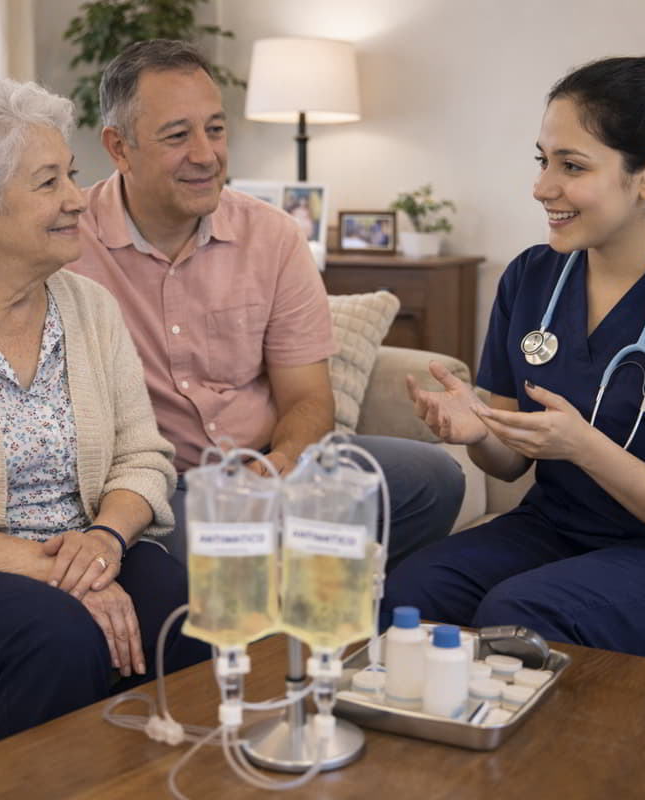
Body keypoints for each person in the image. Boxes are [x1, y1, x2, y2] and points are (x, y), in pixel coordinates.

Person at [67, 39, 465, 570]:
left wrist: (280, 465)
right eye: (178, 136)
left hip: (272, 468)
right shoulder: (67, 244)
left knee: (433, 478)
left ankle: (328, 598)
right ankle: (294, 574)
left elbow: (307, 396)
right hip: (157, 490)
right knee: (210, 551)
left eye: (215, 129)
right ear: (119, 148)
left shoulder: (273, 235)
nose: (205, 155)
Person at [0, 79, 207, 742]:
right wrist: (66, 575)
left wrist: (104, 542)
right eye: (49, 183)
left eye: (71, 173)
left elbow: (143, 456)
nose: (77, 197)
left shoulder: (89, 307)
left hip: (87, 542)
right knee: (57, 636)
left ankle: (179, 782)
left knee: (184, 615)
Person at [385, 57, 645, 665]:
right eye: (543, 160)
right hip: (558, 529)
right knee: (412, 592)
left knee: (523, 613)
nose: (541, 187)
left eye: (571, 166)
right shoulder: (532, 277)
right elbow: (508, 465)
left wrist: (585, 447)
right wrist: (480, 429)